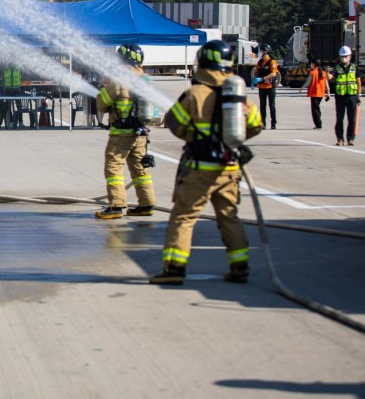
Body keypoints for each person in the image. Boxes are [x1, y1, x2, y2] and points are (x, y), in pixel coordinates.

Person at [150, 40, 263, 285]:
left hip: (198, 170)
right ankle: (239, 268)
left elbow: (175, 124)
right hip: (229, 169)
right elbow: (256, 124)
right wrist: (235, 140)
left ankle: (174, 270)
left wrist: (194, 135)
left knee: (183, 217)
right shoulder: (239, 96)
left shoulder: (194, 94)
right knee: (229, 217)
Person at [94, 44, 156, 219]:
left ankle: (116, 206)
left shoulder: (120, 80)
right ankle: (147, 204)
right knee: (140, 169)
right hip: (141, 134)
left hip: (121, 134)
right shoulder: (145, 79)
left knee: (113, 168)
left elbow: (101, 104)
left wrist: (105, 88)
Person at [327, 45, 362, 146]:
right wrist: (326, 72)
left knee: (352, 119)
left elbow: (358, 82)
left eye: (346, 56)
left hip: (352, 96)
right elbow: (330, 77)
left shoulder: (354, 68)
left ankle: (350, 138)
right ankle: (340, 139)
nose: (344, 58)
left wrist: (359, 95)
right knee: (339, 118)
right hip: (340, 96)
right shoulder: (337, 68)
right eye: (342, 56)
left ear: (350, 56)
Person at [253, 44, 278, 129]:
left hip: (270, 87)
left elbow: (273, 73)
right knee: (262, 107)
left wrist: (263, 78)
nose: (260, 52)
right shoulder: (259, 62)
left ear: (266, 51)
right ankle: (263, 123)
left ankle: (273, 123)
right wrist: (254, 80)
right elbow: (256, 72)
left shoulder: (272, 61)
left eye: (261, 50)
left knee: (272, 106)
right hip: (261, 88)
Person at [300, 59, 329, 130]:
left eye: (311, 64)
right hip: (321, 93)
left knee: (315, 109)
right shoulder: (324, 73)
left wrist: (302, 87)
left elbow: (308, 82)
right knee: (317, 108)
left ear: (313, 64)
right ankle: (318, 122)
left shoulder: (312, 73)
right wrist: (328, 93)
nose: (311, 65)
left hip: (314, 93)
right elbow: (326, 84)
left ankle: (318, 124)